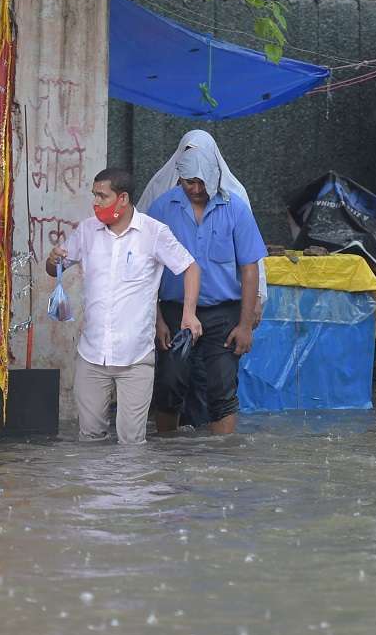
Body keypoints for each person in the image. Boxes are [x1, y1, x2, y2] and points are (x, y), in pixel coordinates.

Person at [46, 167, 203, 444]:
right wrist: (53, 260)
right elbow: (53, 267)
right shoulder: (86, 231)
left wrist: (189, 313)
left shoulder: (153, 232)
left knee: (132, 443)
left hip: (136, 358)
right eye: (94, 195)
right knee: (90, 439)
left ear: (123, 199)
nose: (95, 202)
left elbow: (190, 267)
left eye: (102, 196)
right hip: (92, 355)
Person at [138, 130, 268, 428]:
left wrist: (245, 325)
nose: (195, 189)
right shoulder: (161, 208)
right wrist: (156, 321)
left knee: (222, 389)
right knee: (169, 386)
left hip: (222, 313)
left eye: (202, 182)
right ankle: (167, 458)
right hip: (173, 310)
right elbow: (147, 269)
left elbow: (250, 269)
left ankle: (219, 463)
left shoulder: (235, 208)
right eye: (188, 182)